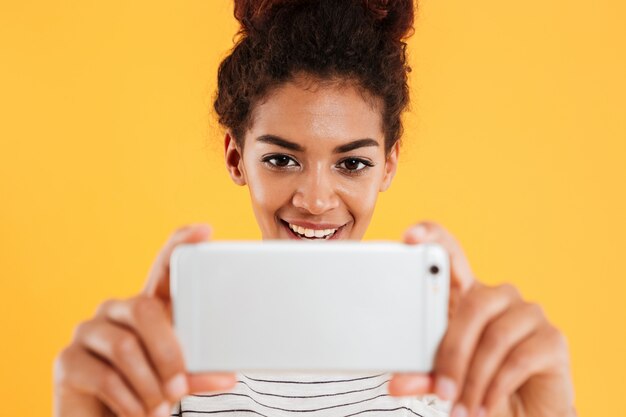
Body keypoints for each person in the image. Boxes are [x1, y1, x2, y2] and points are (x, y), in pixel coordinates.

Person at [53, 1, 577, 416]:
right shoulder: (163, 367)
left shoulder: (461, 369)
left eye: (351, 165)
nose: (317, 200)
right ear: (237, 157)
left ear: (388, 165)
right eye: (281, 159)